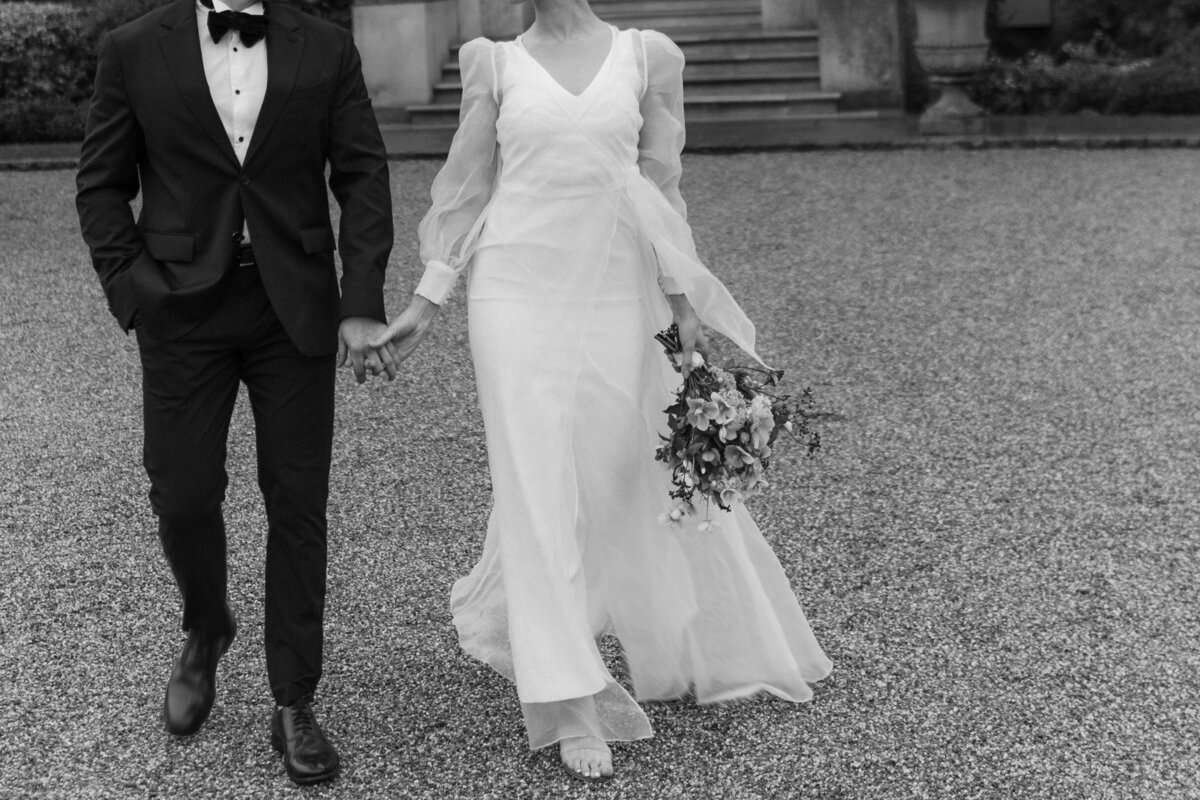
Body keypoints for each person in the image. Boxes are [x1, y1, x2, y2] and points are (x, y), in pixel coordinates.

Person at [374, 0, 833, 782]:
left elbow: (663, 187)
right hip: (514, 292)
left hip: (620, 289)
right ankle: (569, 699)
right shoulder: (490, 61)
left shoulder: (649, 55)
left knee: (623, 475)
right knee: (536, 486)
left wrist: (682, 301)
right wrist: (427, 300)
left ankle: (679, 638)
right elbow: (465, 189)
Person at [75, 0, 395, 785]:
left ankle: (294, 698)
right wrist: (134, 288)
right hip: (182, 308)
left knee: (296, 499)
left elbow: (362, 175)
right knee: (182, 492)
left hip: (296, 308)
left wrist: (360, 304)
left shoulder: (325, 47)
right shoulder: (132, 49)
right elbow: (100, 185)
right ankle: (206, 626)